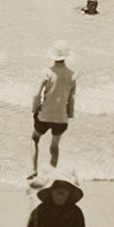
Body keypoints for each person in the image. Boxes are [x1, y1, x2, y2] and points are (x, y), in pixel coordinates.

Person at [30, 43, 76, 179]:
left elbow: (36, 94)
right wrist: (69, 114)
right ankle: (51, 174)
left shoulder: (47, 72)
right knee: (55, 145)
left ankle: (33, 170)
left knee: (34, 138)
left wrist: (35, 109)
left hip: (44, 115)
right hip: (61, 118)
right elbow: (72, 98)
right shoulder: (72, 75)